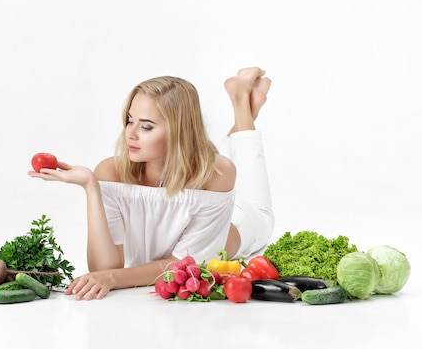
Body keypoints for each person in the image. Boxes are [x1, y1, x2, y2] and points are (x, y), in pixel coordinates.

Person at [28, 67, 274, 300]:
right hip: (196, 170)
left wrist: (114, 279)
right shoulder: (110, 171)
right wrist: (91, 186)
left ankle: (241, 101)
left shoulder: (220, 174)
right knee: (207, 159)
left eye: (146, 126)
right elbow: (103, 267)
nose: (130, 133)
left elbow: (182, 264)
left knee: (234, 171)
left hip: (242, 222)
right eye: (130, 120)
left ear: (179, 131)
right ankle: (245, 102)